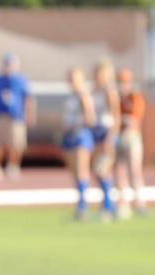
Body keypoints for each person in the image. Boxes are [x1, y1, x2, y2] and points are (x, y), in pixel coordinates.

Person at [0, 53, 35, 180]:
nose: (9, 67)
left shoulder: (22, 80)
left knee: (16, 143)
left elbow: (29, 98)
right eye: (7, 64)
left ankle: (13, 167)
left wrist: (30, 114)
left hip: (16, 116)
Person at [61, 67, 96, 220]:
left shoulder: (84, 95)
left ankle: (84, 207)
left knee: (82, 171)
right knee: (74, 173)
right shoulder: (71, 96)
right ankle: (80, 206)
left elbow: (90, 117)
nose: (71, 81)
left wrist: (78, 124)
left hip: (81, 135)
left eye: (74, 78)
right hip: (70, 136)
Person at [114, 67, 148, 218]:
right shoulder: (116, 99)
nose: (123, 86)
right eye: (120, 82)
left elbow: (133, 120)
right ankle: (123, 204)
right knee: (120, 172)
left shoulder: (135, 98)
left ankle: (140, 203)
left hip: (132, 138)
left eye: (125, 82)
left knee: (134, 170)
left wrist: (120, 121)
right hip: (118, 138)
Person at [90, 58, 120, 220]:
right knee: (98, 171)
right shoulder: (94, 90)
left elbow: (116, 116)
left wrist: (111, 137)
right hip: (96, 133)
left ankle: (108, 207)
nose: (98, 76)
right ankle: (110, 206)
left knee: (102, 169)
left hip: (107, 132)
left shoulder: (110, 91)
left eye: (101, 73)